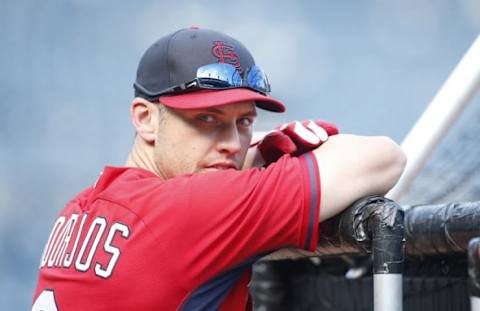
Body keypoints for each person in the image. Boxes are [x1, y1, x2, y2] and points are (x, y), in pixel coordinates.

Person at [31, 27, 406, 311]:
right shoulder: (187, 210)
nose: (231, 143)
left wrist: (253, 147)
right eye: (206, 118)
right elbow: (384, 158)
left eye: (243, 122)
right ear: (145, 119)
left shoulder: (81, 206)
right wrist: (270, 141)